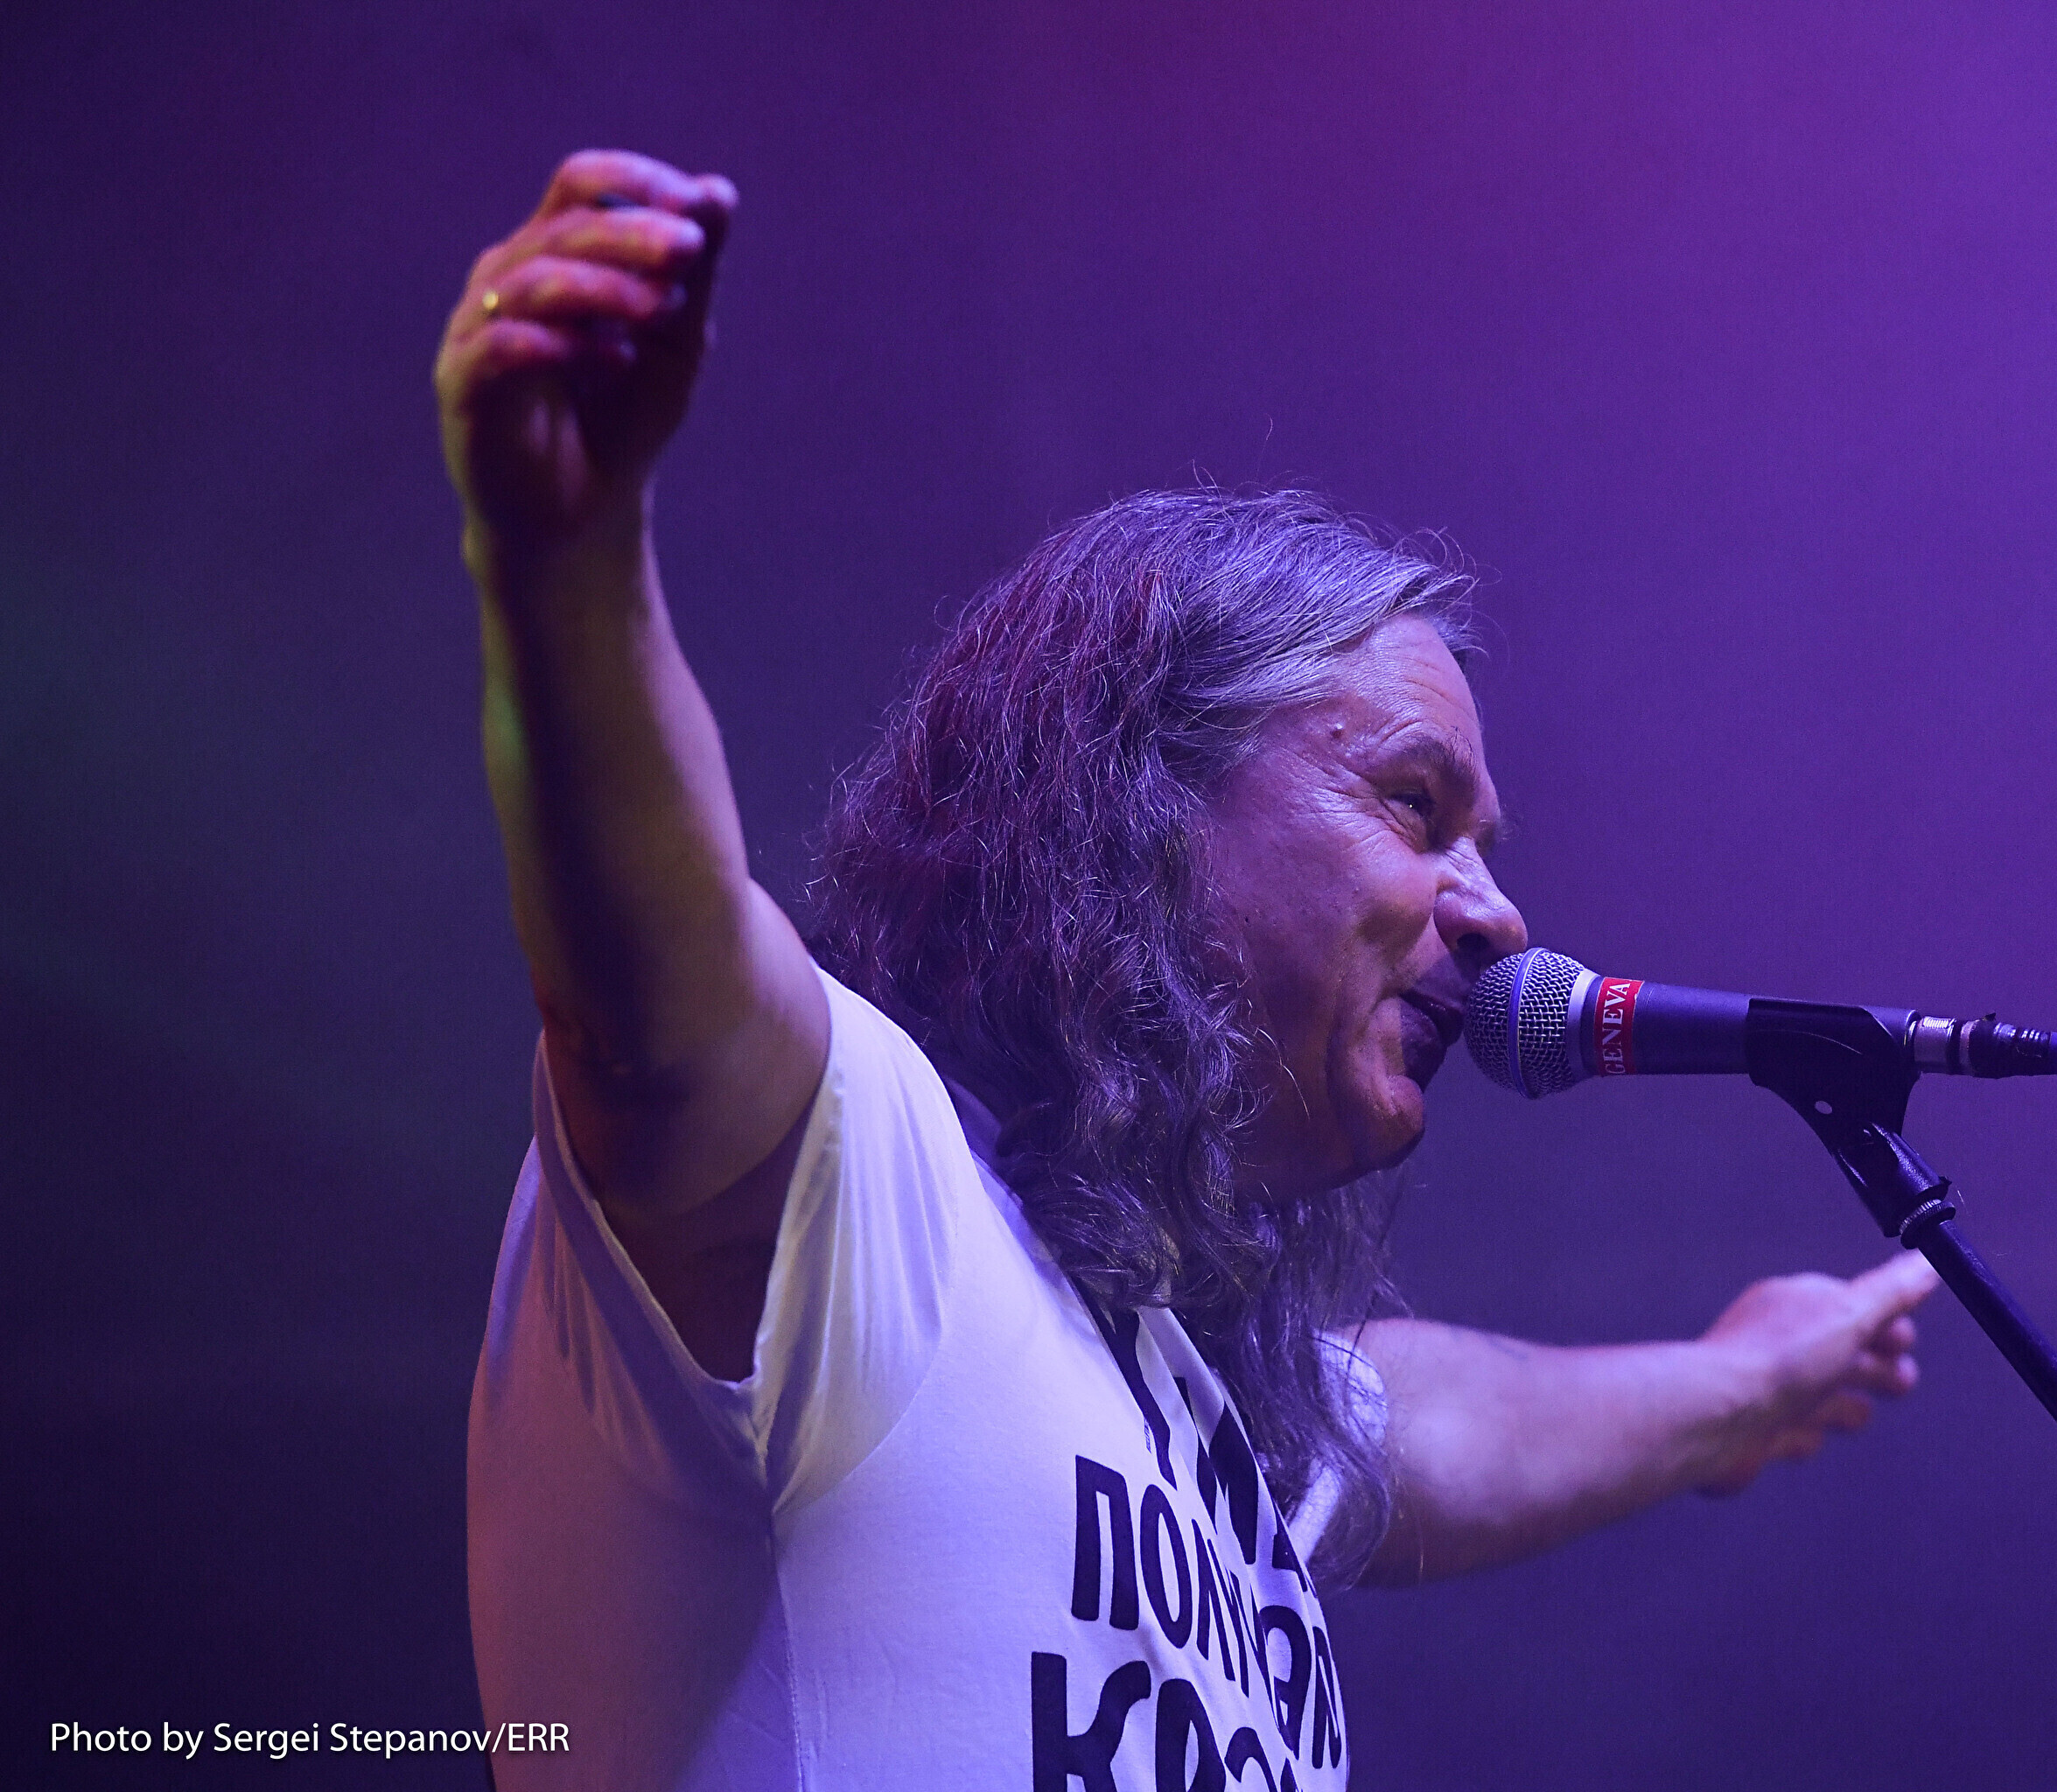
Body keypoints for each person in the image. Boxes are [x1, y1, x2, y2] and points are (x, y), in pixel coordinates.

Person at [437, 149, 1940, 1792]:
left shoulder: (1199, 1398)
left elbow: (1424, 1424)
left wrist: (1742, 1382)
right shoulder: (869, 1187)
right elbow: (654, 984)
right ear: (1138, 793)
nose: (1499, 916)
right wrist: (571, 566)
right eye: (1414, 805)